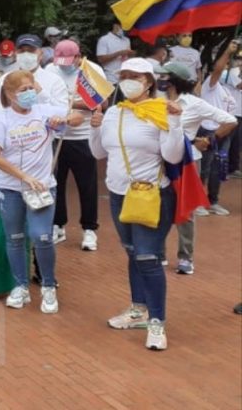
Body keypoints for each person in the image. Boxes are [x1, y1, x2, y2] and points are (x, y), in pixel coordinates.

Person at [89, 58, 184, 351]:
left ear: (149, 81)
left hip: (151, 195)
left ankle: (157, 322)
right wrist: (94, 126)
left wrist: (175, 122)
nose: (128, 80)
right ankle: (138, 310)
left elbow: (173, 157)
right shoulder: (114, 113)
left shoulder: (159, 111)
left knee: (147, 258)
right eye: (124, 75)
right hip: (118, 195)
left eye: (135, 76)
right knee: (132, 253)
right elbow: (98, 152)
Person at [0, 70, 82, 314]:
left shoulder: (45, 112)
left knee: (42, 236)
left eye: (31, 88)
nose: (29, 93)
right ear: (9, 94)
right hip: (9, 189)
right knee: (15, 238)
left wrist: (67, 120)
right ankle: (20, 286)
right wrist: (23, 177)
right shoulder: (2, 121)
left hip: (43, 188)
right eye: (22, 90)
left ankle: (48, 285)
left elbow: (78, 116)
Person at [156, 62, 236, 275]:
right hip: (158, 159)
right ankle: (158, 252)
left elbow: (229, 120)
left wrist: (210, 139)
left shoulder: (193, 103)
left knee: (186, 208)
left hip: (187, 161)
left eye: (165, 77)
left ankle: (185, 257)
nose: (160, 80)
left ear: (175, 80)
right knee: (158, 205)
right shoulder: (155, 101)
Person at [43, 40, 104, 249]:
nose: (64, 65)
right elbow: (43, 99)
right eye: (60, 61)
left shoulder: (92, 70)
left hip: (83, 136)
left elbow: (100, 102)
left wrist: (70, 103)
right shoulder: (50, 70)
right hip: (56, 137)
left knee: (86, 186)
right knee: (55, 183)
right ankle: (58, 225)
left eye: (68, 61)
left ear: (78, 57)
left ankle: (89, 230)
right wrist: (63, 105)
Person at [195, 40, 239, 216]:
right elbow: (218, 69)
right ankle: (196, 202)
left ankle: (213, 201)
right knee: (204, 167)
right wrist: (228, 51)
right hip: (209, 131)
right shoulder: (210, 86)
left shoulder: (226, 91)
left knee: (218, 167)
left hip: (226, 132)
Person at [0, 34, 68, 106]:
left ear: (41, 54)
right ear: (15, 54)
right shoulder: (5, 79)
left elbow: (62, 110)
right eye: (22, 51)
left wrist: (41, 93)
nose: (26, 54)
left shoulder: (55, 81)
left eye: (31, 51)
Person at [227, 48, 242, 178]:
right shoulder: (233, 72)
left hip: (240, 112)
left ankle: (234, 167)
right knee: (232, 141)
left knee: (237, 141)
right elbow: (239, 85)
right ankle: (229, 168)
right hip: (234, 112)